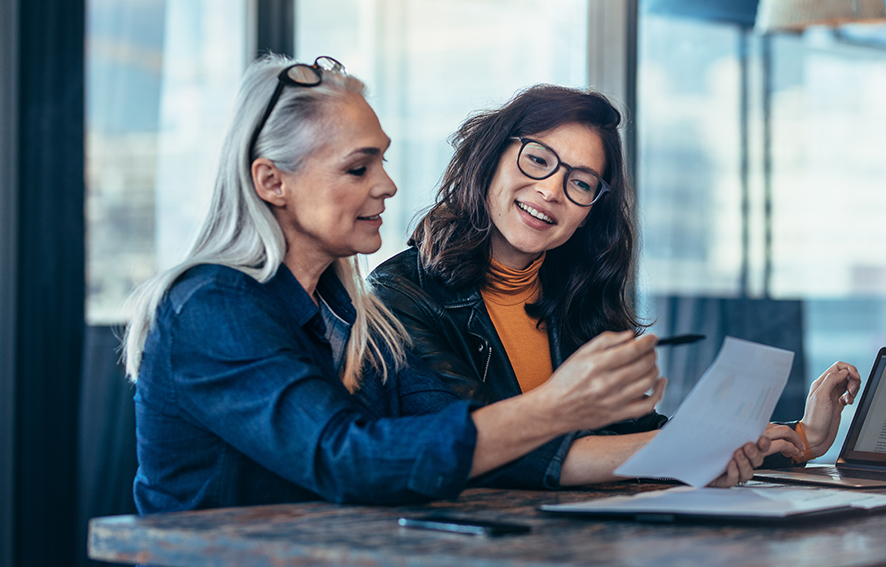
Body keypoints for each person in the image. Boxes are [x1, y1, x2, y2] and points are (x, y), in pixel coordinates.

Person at [123, 56, 768, 515]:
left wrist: (734, 444)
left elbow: (425, 448)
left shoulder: (347, 313)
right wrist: (557, 406)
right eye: (358, 168)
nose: (387, 185)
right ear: (272, 182)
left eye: (382, 160)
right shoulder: (212, 305)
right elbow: (349, 460)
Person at [369, 85, 861, 483]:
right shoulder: (399, 295)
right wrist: (686, 452)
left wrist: (802, 437)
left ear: (589, 213)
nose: (551, 191)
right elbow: (476, 449)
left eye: (581, 183)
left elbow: (635, 435)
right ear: (490, 157)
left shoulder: (578, 297)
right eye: (537, 160)